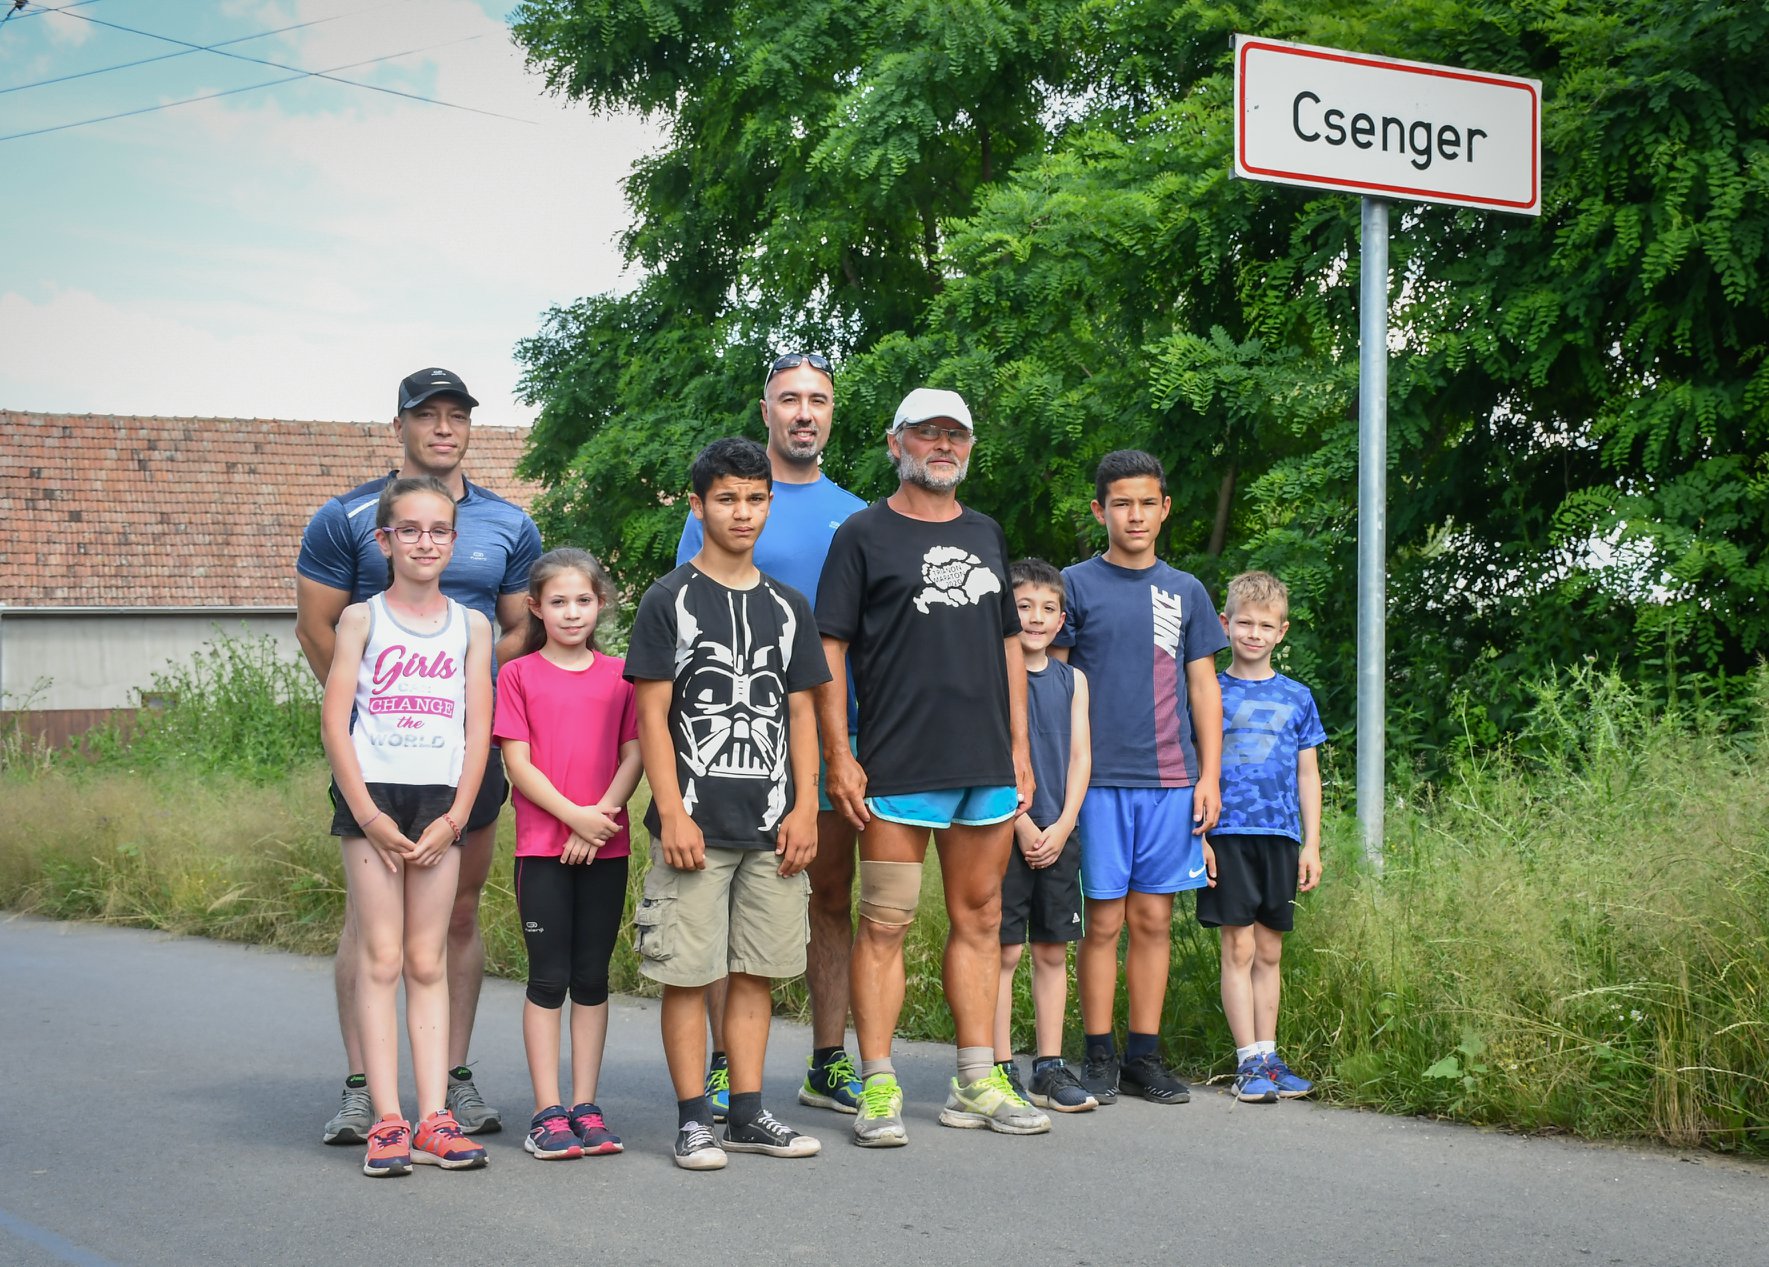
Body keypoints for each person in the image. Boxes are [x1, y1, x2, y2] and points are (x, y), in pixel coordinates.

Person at [298, 368, 542, 1145]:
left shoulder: (508, 523)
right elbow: (318, 630)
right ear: (398, 423)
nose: (442, 427)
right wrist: (374, 714)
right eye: (425, 415)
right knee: (371, 932)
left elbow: (519, 630)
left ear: (471, 425)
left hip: (463, 753)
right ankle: (366, 1090)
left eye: (455, 415)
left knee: (456, 916)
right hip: (378, 760)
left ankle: (451, 1086)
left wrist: (458, 701)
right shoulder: (345, 517)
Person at [817, 387, 1049, 1147]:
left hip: (984, 761)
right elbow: (829, 650)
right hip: (896, 764)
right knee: (883, 921)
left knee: (980, 918)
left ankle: (975, 1079)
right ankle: (877, 1085)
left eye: (955, 435)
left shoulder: (985, 531)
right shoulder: (861, 534)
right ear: (895, 444)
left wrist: (1019, 749)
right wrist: (840, 755)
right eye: (926, 433)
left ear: (969, 449)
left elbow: (1011, 645)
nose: (941, 445)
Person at [626, 437, 830, 1171]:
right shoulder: (667, 599)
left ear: (769, 504)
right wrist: (672, 808)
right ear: (698, 504)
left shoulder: (788, 606)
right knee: (687, 973)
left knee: (756, 971)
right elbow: (652, 716)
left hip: (774, 825)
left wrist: (807, 806)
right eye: (726, 498)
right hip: (695, 826)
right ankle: (692, 1120)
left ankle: (746, 1111)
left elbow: (801, 714)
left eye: (754, 498)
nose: (741, 512)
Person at [674, 352, 867, 1120]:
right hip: (732, 742)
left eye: (817, 399)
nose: (803, 411)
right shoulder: (723, 503)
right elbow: (687, 629)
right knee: (721, 901)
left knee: (828, 894)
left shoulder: (856, 515)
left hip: (830, 736)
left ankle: (826, 1060)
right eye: (789, 398)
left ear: (831, 414)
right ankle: (724, 1066)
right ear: (765, 410)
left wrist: (853, 745)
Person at [319, 475, 494, 1176]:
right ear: (384, 539)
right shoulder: (362, 618)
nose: (425, 541)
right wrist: (365, 813)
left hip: (439, 804)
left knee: (428, 960)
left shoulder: (471, 625)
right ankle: (387, 1120)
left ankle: (433, 1118)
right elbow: (335, 721)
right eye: (410, 530)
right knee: (381, 957)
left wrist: (456, 817)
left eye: (438, 530)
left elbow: (477, 728)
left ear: (454, 540)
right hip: (374, 802)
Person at [1053, 449, 1228, 1106]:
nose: (1134, 514)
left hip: (1169, 780)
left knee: (1153, 919)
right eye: (1120, 503)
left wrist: (1208, 775)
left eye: (1146, 502)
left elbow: (1203, 687)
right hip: (1094, 783)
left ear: (1164, 508)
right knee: (1102, 921)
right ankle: (1097, 1051)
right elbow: (1054, 684)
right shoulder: (1072, 584)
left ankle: (1142, 1055)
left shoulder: (1185, 591)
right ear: (1100, 509)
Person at [494, 548, 643, 1158]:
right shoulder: (518, 676)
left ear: (600, 603)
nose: (572, 611)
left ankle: (586, 1104)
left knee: (592, 978)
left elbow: (634, 755)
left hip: (605, 849)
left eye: (583, 599)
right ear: (536, 607)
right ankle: (547, 1111)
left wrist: (598, 820)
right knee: (548, 978)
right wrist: (572, 818)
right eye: (557, 601)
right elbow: (517, 762)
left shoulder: (622, 674)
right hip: (542, 850)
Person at [1198, 570, 1324, 1103]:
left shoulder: (1297, 698)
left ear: (1282, 631)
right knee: (1239, 945)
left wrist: (1311, 843)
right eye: (1244, 622)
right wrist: (1198, 837)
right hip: (1225, 833)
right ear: (1225, 624)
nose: (1253, 633)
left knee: (1270, 950)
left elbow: (1308, 774)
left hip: (1280, 836)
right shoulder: (1207, 690)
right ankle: (1246, 1060)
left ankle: (1269, 1057)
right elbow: (1192, 769)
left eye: (1265, 625)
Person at [992, 558, 1096, 1113]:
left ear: (1061, 618)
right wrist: (1023, 823)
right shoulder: (992, 674)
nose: (1035, 617)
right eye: (1024, 606)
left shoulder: (1073, 680)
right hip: (1005, 832)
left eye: (1047, 608)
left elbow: (1081, 758)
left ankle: (1050, 1068)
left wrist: (1061, 825)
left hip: (1060, 832)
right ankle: (999, 1066)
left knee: (1052, 950)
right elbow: (991, 756)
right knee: (1005, 952)